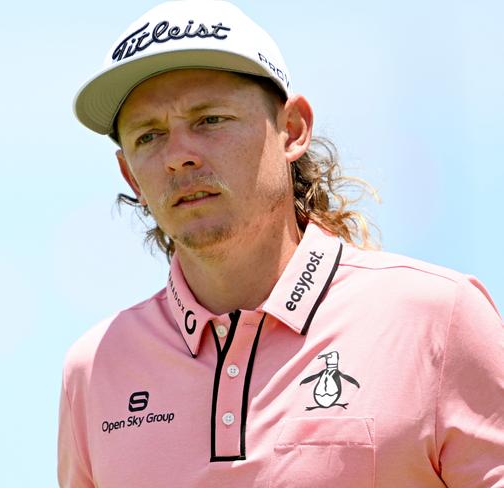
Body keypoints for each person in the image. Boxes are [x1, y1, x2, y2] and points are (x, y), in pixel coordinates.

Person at [58, 1, 504, 486]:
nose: (178, 157)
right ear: (130, 176)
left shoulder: (438, 319)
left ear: (292, 130)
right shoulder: (95, 368)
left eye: (210, 119)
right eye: (149, 136)